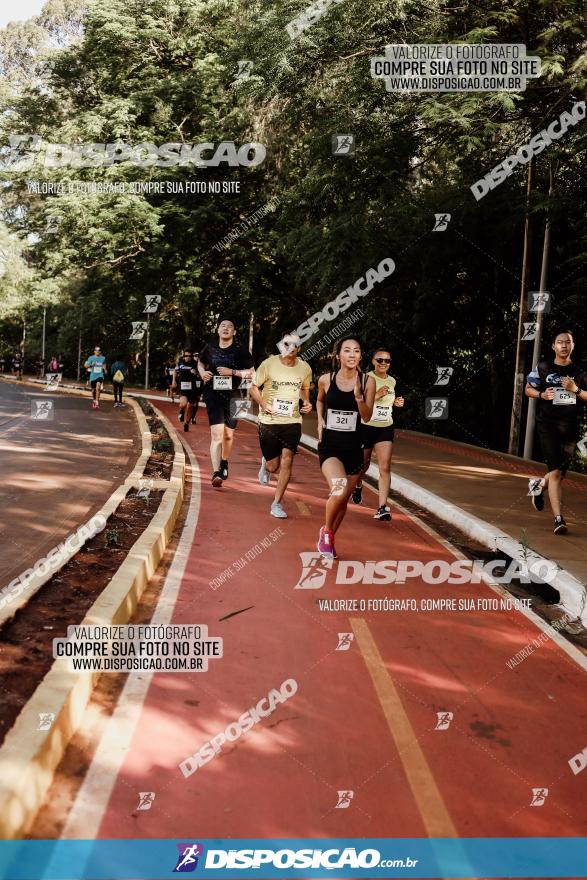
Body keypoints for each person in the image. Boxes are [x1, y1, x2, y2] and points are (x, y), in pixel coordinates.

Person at [316, 337, 375, 558]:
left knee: (343, 500)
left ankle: (329, 534)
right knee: (338, 489)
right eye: (347, 350)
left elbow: (367, 416)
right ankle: (326, 533)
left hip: (354, 448)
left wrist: (359, 398)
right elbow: (320, 400)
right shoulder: (326, 379)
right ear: (338, 354)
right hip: (330, 446)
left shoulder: (368, 381)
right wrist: (320, 420)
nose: (352, 355)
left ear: (360, 356)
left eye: (356, 351)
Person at [526, 329, 587, 534]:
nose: (563, 345)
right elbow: (528, 389)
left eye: (567, 342)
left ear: (572, 345)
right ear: (553, 346)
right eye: (559, 342)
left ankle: (538, 487)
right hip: (548, 425)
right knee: (555, 472)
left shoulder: (580, 370)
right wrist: (542, 394)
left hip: (570, 427)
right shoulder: (543, 367)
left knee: (559, 474)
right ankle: (559, 519)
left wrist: (575, 389)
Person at [250, 333, 312, 518]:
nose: (290, 347)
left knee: (288, 459)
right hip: (269, 420)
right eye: (286, 343)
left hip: (292, 421)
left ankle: (276, 503)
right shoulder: (268, 364)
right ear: (281, 345)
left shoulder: (304, 368)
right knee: (273, 467)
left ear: (299, 348)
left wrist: (307, 402)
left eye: (294, 344)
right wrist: (263, 404)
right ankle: (265, 462)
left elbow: (304, 388)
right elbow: (253, 388)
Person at [198, 318, 254, 487]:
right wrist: (202, 373)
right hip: (213, 395)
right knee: (216, 435)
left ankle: (224, 461)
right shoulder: (210, 347)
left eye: (230, 326)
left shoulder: (240, 350)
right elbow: (200, 362)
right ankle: (216, 472)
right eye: (223, 325)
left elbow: (252, 373)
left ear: (234, 332)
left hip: (235, 396)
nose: (226, 328)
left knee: (228, 435)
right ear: (218, 330)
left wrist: (233, 372)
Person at [351, 348, 405, 520]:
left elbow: (387, 403)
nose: (383, 363)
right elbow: (357, 402)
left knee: (385, 467)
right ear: (373, 361)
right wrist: (376, 395)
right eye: (380, 360)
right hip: (366, 426)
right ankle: (358, 484)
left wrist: (396, 402)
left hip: (385, 427)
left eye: (387, 361)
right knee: (363, 465)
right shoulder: (365, 378)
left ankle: (382, 507)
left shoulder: (392, 381)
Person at [172, 350, 201, 432]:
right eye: (186, 356)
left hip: (193, 388)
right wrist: (173, 381)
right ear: (183, 356)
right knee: (183, 404)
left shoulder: (196, 364)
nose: (188, 357)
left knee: (190, 407)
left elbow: (201, 376)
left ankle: (186, 423)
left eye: (189, 356)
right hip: (183, 387)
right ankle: (181, 410)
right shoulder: (180, 363)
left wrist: (196, 373)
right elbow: (175, 371)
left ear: (192, 356)